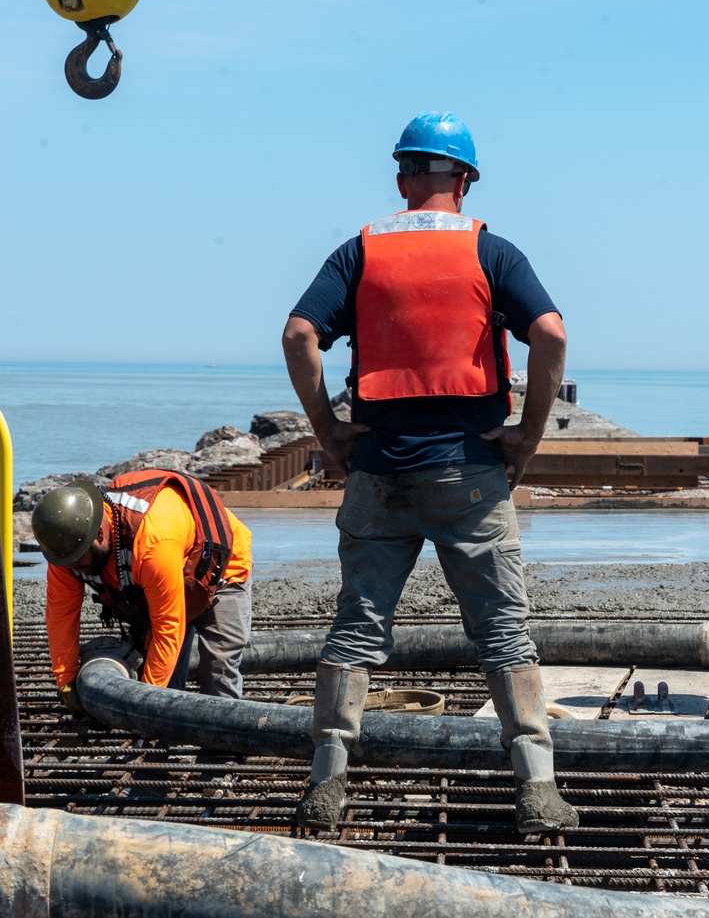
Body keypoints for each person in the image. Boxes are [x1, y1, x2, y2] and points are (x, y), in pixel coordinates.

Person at [282, 110, 578, 834]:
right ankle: (537, 786)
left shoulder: (362, 251)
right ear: (466, 182)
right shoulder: (492, 252)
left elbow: (298, 335)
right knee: (504, 633)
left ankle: (328, 780)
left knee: (355, 629)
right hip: (470, 475)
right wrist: (526, 437)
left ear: (403, 178)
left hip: (379, 471)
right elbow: (550, 333)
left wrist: (327, 431)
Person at [32, 470, 253, 709]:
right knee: (151, 665)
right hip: (156, 579)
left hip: (219, 571)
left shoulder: (151, 544)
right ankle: (160, 740)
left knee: (217, 669)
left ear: (98, 534)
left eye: (78, 559)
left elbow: (168, 628)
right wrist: (66, 679)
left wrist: (145, 704)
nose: (74, 567)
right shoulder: (67, 549)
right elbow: (60, 615)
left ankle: (223, 742)